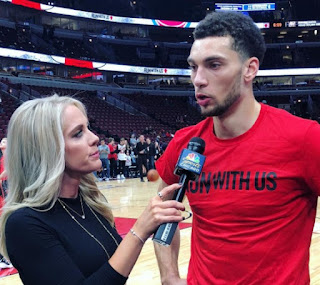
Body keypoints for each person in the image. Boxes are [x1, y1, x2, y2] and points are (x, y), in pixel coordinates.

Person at [154, 12, 320, 285]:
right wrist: (169, 276)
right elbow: (161, 212)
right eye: (193, 67)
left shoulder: (304, 138)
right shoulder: (185, 143)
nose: (198, 79)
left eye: (214, 65)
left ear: (249, 69)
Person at [0, 95, 185, 285]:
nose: (95, 138)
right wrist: (138, 232)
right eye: (78, 133)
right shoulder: (23, 224)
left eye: (88, 127)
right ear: (47, 149)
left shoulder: (89, 201)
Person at [0, 138, 13, 270]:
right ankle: (5, 257)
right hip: (4, 201)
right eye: (2, 141)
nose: (3, 141)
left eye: (6, 141)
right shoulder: (1, 162)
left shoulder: (12, 159)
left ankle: (8, 257)